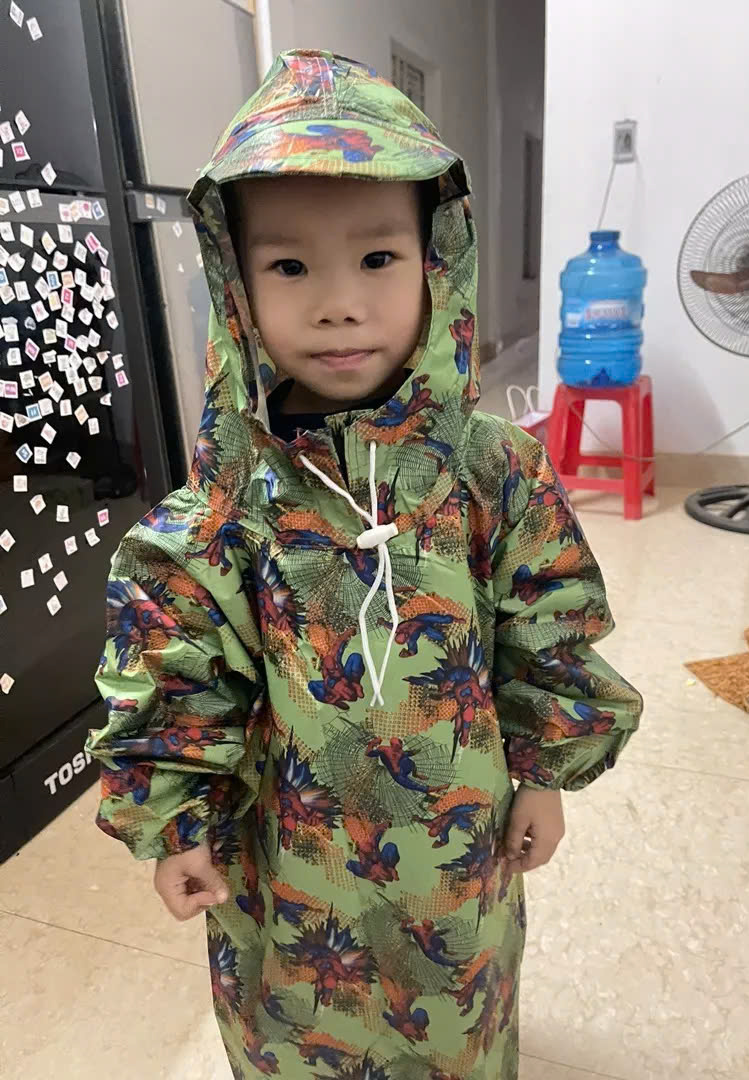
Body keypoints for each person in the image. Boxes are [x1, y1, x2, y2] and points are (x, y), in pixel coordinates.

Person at [87, 49, 642, 1080]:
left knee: (456, 1027)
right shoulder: (224, 505)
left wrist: (542, 776)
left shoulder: (492, 473)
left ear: (437, 259)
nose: (339, 303)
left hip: (456, 859)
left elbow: (549, 631)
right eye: (290, 267)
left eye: (378, 257)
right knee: (296, 1030)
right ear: (236, 282)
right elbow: (177, 678)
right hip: (289, 876)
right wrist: (176, 825)